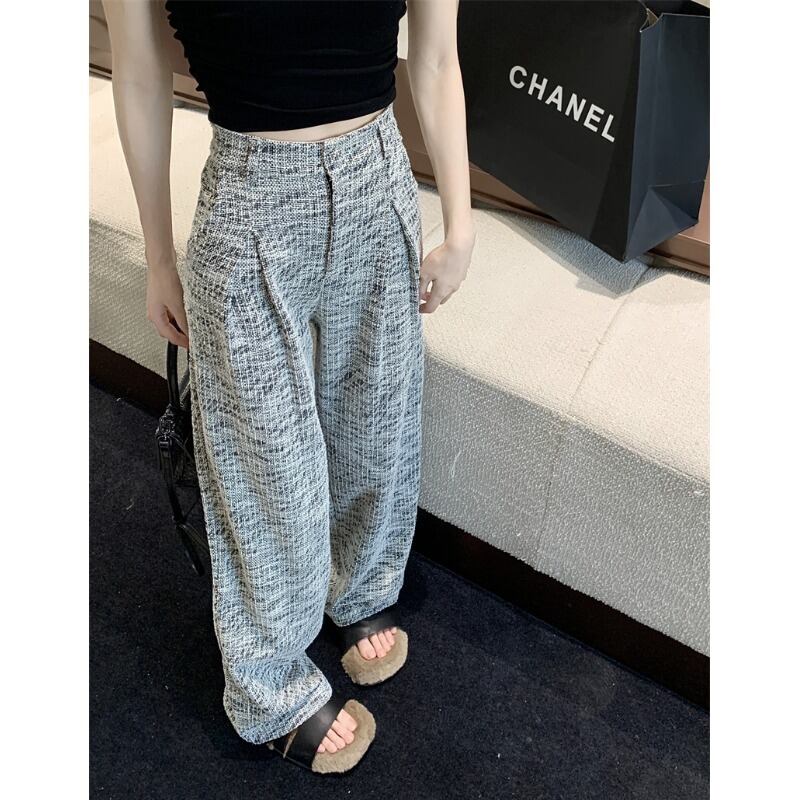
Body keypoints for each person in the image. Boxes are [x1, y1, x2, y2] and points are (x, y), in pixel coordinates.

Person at [103, 0, 474, 774]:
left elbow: (436, 56)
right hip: (248, 195)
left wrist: (461, 224)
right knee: (263, 462)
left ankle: (360, 583)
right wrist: (159, 255)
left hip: (378, 176)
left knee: (377, 420)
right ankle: (269, 687)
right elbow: (138, 70)